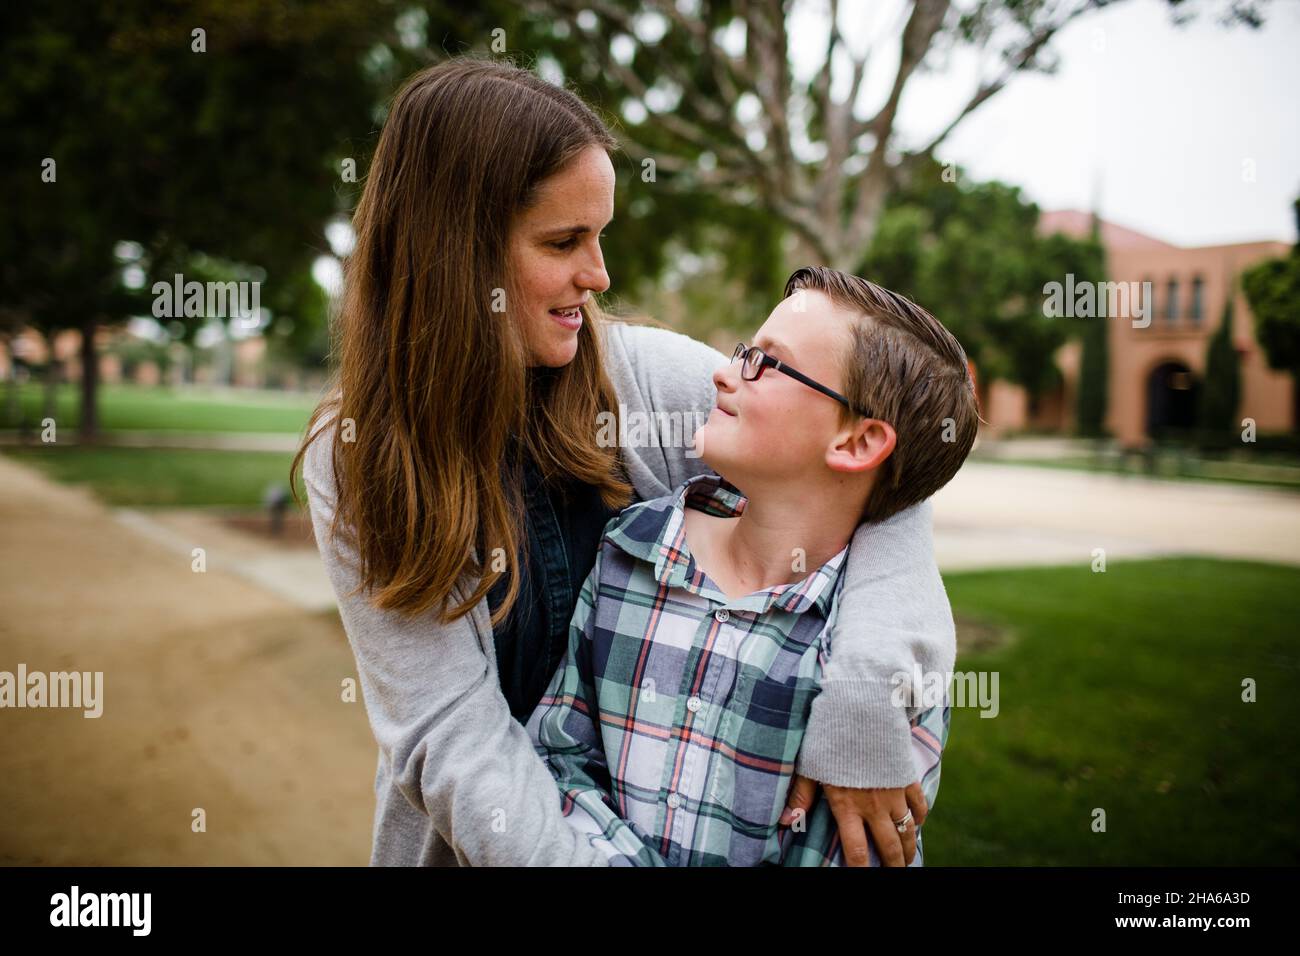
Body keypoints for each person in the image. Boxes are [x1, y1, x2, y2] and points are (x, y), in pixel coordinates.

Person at [292, 57, 957, 867]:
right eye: (563, 241)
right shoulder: (358, 461)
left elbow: (878, 482)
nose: (598, 275)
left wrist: (865, 701)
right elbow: (448, 733)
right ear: (455, 252)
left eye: (598, 236)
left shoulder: (646, 379)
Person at [526, 266, 978, 865]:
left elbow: (854, 850)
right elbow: (558, 757)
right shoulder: (630, 550)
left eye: (766, 363)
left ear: (856, 443)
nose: (720, 371)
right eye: (746, 351)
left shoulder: (886, 665)